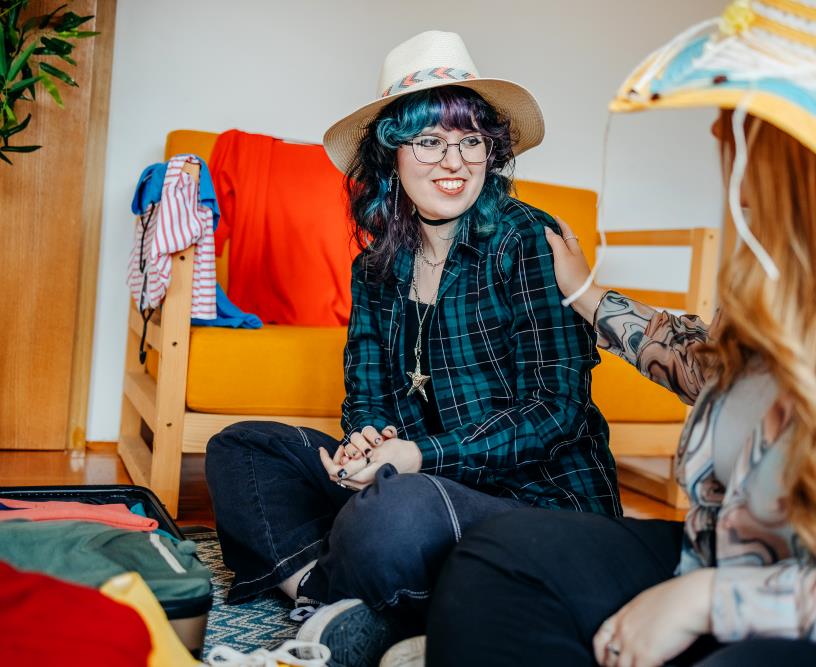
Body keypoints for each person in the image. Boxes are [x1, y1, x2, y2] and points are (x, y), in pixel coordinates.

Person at [426, 1, 816, 666]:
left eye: (744, 111)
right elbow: (717, 372)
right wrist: (587, 294)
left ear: (807, 146)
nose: (719, 130)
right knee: (501, 561)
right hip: (715, 551)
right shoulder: (784, 269)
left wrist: (714, 600)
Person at [205, 30, 618, 666]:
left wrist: (416, 457)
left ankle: (352, 596)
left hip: (532, 503)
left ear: (491, 151)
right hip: (418, 483)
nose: (453, 162)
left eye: (471, 141)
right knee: (242, 450)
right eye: (429, 142)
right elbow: (366, 395)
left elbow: (555, 413)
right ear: (391, 156)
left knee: (392, 514)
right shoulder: (376, 266)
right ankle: (347, 605)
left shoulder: (528, 241)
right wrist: (364, 443)